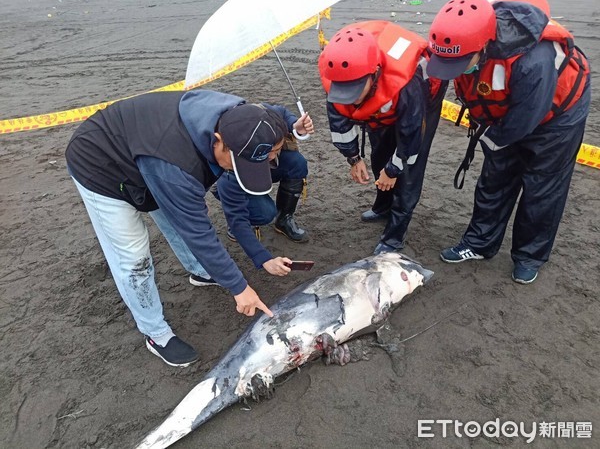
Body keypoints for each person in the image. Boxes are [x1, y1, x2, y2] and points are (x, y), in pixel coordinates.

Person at [65, 89, 289, 367]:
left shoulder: (245, 117)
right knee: (135, 259)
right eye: (238, 163)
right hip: (100, 164)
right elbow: (197, 231)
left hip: (147, 151)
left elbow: (275, 116)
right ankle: (155, 333)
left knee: (179, 212)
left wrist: (293, 128)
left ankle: (199, 271)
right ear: (218, 142)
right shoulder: (175, 168)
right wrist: (239, 287)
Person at [426, 0, 590, 284]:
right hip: (504, 112)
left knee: (542, 186)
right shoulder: (458, 47)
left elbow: (524, 119)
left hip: (558, 114)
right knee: (495, 177)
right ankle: (479, 243)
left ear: (484, 45)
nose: (453, 69)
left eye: (459, 63)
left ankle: (529, 256)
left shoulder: (533, 60)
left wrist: (491, 140)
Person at [318, 21, 448, 255]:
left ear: (375, 73)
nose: (352, 100)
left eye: (357, 90)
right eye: (345, 92)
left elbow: (411, 137)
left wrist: (393, 170)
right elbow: (338, 120)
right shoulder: (335, 75)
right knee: (380, 154)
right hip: (382, 103)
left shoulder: (407, 81)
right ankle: (383, 207)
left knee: (407, 171)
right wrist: (354, 158)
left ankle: (394, 237)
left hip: (419, 100)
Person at [213, 106, 315, 275]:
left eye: (276, 150)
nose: (273, 156)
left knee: (296, 162)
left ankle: (284, 219)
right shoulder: (230, 160)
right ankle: (237, 206)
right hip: (234, 177)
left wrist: (294, 125)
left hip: (257, 169)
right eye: (270, 151)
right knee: (265, 213)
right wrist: (264, 259)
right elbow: (237, 220)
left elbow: (281, 113)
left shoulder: (263, 115)